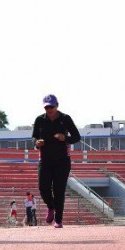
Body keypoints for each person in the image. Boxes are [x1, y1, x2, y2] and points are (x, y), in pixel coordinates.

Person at [32, 94, 80, 228]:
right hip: (45, 160)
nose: (49, 110)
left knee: (59, 190)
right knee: (43, 188)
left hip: (62, 160)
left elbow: (77, 137)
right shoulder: (39, 120)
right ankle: (51, 207)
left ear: (57, 105)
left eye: (51, 107)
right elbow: (34, 137)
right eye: (47, 107)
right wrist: (37, 142)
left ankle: (58, 220)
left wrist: (65, 138)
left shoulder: (65, 119)